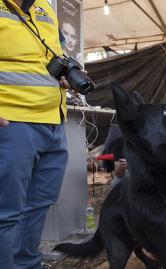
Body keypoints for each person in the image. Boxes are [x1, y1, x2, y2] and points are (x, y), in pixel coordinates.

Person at [0, 0, 70, 268]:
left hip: (54, 122)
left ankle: (27, 264)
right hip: (11, 122)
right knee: (5, 214)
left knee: (37, 208)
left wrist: (67, 70)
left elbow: (58, 52)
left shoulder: (44, 6)